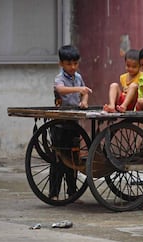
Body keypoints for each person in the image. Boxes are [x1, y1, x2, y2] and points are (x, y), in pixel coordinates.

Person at [51, 45, 92, 200]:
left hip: (74, 122)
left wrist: (84, 101)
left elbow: (85, 93)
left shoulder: (78, 77)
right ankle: (54, 193)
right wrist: (78, 90)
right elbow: (60, 90)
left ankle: (72, 192)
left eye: (75, 63)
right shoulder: (59, 78)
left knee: (73, 158)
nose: (73, 67)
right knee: (58, 158)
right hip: (60, 123)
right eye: (69, 64)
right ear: (61, 64)